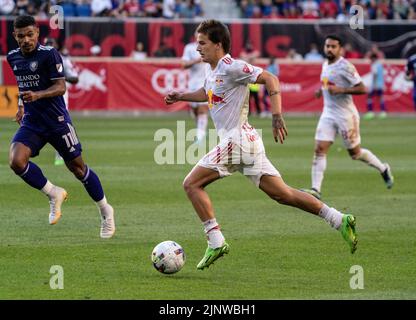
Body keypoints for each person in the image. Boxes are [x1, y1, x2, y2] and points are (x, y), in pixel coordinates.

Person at [165, 20, 358, 271]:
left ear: (218, 44)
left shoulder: (232, 67)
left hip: (237, 141)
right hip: (248, 143)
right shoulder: (211, 70)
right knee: (283, 194)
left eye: (202, 43)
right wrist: (181, 95)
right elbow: (207, 92)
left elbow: (270, 78)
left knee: (191, 184)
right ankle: (339, 219)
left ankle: (215, 240)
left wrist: (277, 114)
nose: (197, 48)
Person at [7, 15, 115, 238]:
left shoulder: (49, 54)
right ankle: (53, 192)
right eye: (21, 36)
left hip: (57, 122)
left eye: (29, 34)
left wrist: (37, 95)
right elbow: (22, 82)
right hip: (33, 122)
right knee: (16, 162)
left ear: (37, 33)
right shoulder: (12, 57)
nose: (26, 39)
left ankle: (106, 210)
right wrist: (20, 105)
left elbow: (60, 87)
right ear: (14, 36)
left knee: (78, 169)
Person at [300, 35, 394, 200]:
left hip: (346, 115)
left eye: (333, 46)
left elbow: (363, 89)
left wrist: (341, 90)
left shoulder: (346, 67)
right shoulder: (325, 64)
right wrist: (320, 91)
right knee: (319, 149)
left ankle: (383, 168)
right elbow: (327, 83)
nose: (329, 49)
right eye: (327, 46)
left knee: (355, 154)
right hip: (328, 113)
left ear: (340, 49)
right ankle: (316, 189)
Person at [43, 37, 79, 165]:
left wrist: (62, 77)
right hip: (43, 96)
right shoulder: (39, 59)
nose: (50, 46)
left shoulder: (63, 60)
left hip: (60, 96)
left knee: (62, 124)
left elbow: (75, 78)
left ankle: (61, 155)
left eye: (52, 43)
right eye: (48, 44)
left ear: (57, 46)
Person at [182, 33, 208, 143]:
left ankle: (200, 135)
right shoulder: (189, 48)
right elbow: (184, 64)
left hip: (206, 82)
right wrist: (196, 61)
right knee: (195, 111)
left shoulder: (210, 46)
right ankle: (200, 131)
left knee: (203, 109)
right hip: (193, 83)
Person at [364, 53, 387, 120]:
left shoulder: (374, 65)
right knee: (380, 98)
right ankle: (383, 112)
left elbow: (375, 75)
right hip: (381, 84)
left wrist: (372, 85)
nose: (370, 60)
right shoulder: (380, 65)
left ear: (373, 58)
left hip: (375, 84)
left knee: (369, 97)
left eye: (370, 59)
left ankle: (370, 112)